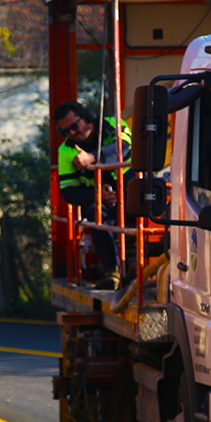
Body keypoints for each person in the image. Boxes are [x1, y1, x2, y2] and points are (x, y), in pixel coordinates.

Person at [53, 99, 129, 289]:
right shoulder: (66, 150)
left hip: (132, 195)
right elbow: (69, 191)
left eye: (74, 126)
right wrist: (98, 197)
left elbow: (125, 146)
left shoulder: (112, 124)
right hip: (105, 205)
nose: (72, 133)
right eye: (65, 131)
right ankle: (112, 271)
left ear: (87, 117)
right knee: (94, 213)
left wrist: (92, 158)